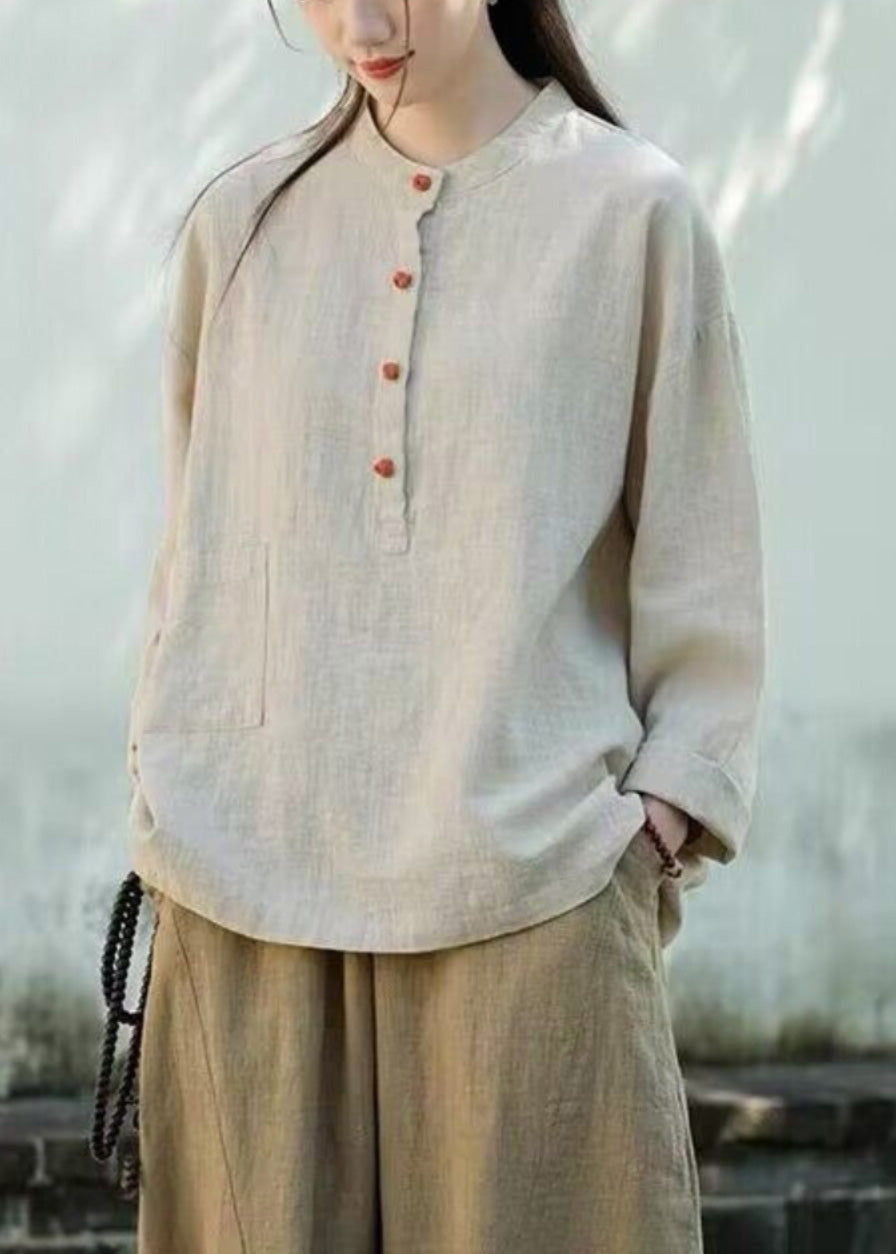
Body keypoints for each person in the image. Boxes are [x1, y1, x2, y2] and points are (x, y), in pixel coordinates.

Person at [90, 0, 767, 1249]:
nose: (357, 22)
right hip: (242, 896)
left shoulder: (630, 214)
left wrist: (660, 815)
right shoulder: (239, 224)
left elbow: (702, 553)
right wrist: (165, 787)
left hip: (532, 895)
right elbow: (194, 561)